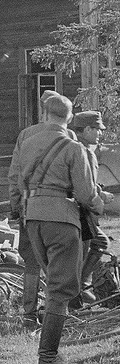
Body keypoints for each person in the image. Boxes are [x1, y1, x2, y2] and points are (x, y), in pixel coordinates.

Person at [12, 92, 105, 364]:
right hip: (61, 220)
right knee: (60, 288)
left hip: (33, 219)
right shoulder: (73, 147)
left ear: (46, 114)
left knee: (52, 280)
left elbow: (16, 180)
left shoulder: (26, 142)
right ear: (70, 117)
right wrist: (100, 204)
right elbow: (86, 193)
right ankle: (49, 357)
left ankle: (46, 346)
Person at [10, 91, 58, 328]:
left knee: (31, 261)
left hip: (28, 207)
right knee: (57, 261)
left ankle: (29, 313)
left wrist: (15, 205)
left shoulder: (25, 135)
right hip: (59, 210)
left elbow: (14, 174)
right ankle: (55, 312)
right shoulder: (66, 135)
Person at [72, 110, 112, 305]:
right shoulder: (82, 150)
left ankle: (80, 286)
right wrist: (101, 196)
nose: (100, 134)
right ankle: (80, 285)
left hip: (81, 208)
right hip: (80, 210)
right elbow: (83, 184)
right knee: (100, 243)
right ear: (86, 129)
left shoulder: (80, 148)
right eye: (96, 129)